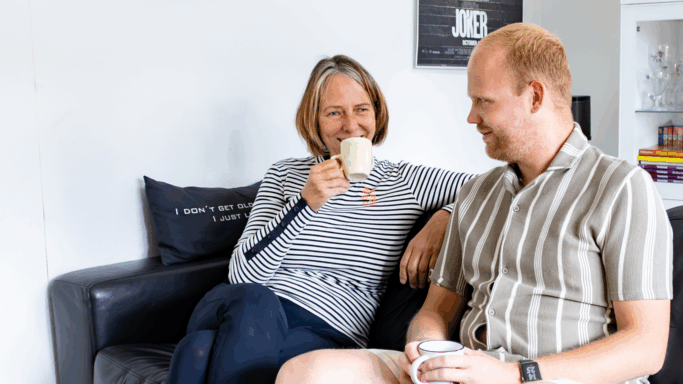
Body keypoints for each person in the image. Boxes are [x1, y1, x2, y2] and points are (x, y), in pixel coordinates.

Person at [276, 23, 673, 384]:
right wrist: (427, 349)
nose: (471, 117)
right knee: (307, 372)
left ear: (534, 96)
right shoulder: (476, 194)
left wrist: (516, 374)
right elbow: (436, 311)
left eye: (483, 101)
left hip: (550, 377)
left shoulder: (622, 187)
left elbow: (646, 347)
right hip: (465, 372)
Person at [164, 55, 475, 384]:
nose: (351, 126)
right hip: (241, 304)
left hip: (327, 329)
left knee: (197, 351)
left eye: (361, 109)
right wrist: (304, 203)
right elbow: (243, 275)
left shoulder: (404, 182)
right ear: (314, 121)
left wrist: (444, 217)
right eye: (334, 113)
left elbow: (492, 185)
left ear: (377, 114)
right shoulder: (285, 174)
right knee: (257, 300)